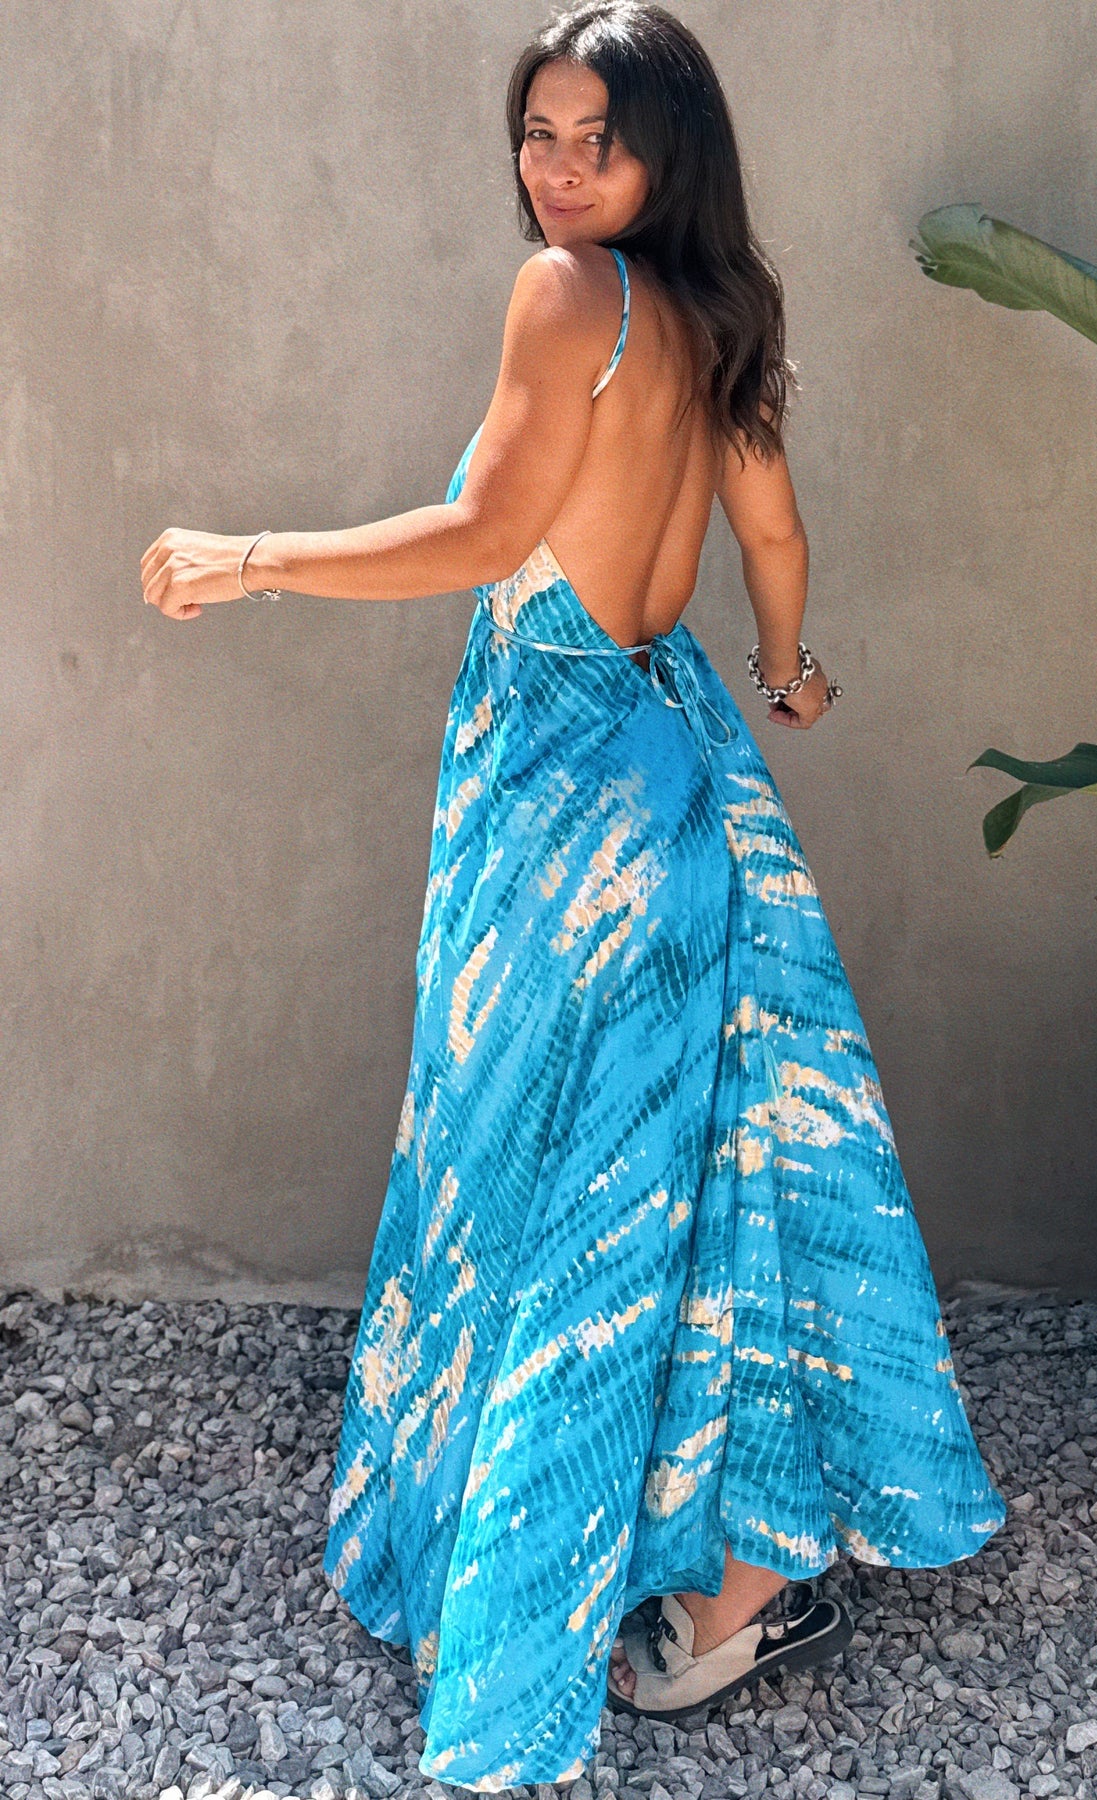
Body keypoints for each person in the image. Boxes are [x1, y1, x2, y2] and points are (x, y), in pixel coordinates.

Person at [140, 1, 1007, 1788]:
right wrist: (790, 673)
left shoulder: (565, 299)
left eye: (593, 139)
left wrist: (252, 556)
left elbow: (484, 539)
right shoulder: (720, 318)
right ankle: (733, 1583)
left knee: (532, 1178)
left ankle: (520, 1584)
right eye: (536, 134)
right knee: (706, 1173)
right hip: (682, 772)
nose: (555, 169)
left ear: (664, 150)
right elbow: (772, 537)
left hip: (566, 805)